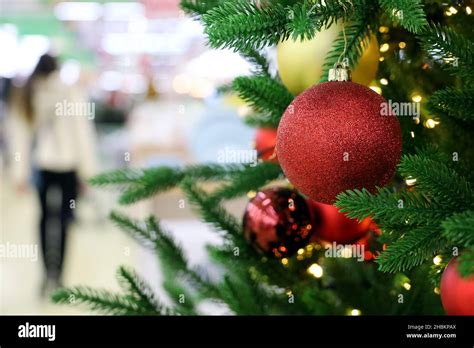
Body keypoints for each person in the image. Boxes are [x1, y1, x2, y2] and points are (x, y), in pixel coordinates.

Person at [7, 54, 97, 295]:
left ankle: (46, 273)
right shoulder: (70, 92)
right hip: (69, 167)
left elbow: (20, 138)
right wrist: (88, 173)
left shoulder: (28, 92)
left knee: (45, 218)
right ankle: (60, 274)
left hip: (42, 167)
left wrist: (20, 173)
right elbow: (83, 134)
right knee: (65, 220)